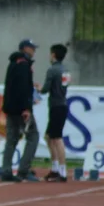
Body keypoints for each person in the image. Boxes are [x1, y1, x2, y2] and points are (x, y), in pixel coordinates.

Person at [0, 38, 41, 183]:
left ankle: (6, 170)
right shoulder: (24, 65)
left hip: (10, 107)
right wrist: (26, 108)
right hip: (21, 109)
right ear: (25, 48)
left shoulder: (13, 63)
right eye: (32, 48)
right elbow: (23, 89)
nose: (34, 51)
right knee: (33, 137)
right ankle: (23, 170)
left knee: (11, 139)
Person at [40, 43, 71, 182]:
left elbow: (45, 89)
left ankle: (62, 171)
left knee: (57, 138)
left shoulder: (52, 70)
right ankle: (55, 168)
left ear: (53, 55)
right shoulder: (66, 71)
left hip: (56, 105)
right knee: (48, 136)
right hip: (62, 104)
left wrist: (38, 88)